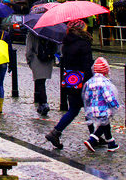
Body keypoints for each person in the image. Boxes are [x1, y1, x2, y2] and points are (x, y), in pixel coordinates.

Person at [45, 19, 94, 150]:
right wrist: (91, 81)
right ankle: (94, 137)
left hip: (71, 79)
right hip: (83, 80)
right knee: (89, 109)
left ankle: (56, 132)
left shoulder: (66, 43)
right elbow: (87, 65)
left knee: (74, 109)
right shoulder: (84, 44)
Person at [82, 57, 120, 152]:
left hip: (93, 109)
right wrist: (115, 105)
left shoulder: (90, 82)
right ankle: (92, 140)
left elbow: (87, 96)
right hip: (103, 110)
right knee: (103, 125)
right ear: (106, 71)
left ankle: (111, 144)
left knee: (106, 125)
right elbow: (109, 97)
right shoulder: (105, 83)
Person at [25, 32, 57, 117]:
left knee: (40, 82)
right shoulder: (51, 32)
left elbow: (29, 49)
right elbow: (56, 48)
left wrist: (28, 60)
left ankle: (44, 103)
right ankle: (40, 105)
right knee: (41, 81)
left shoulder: (32, 33)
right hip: (48, 60)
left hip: (36, 59)